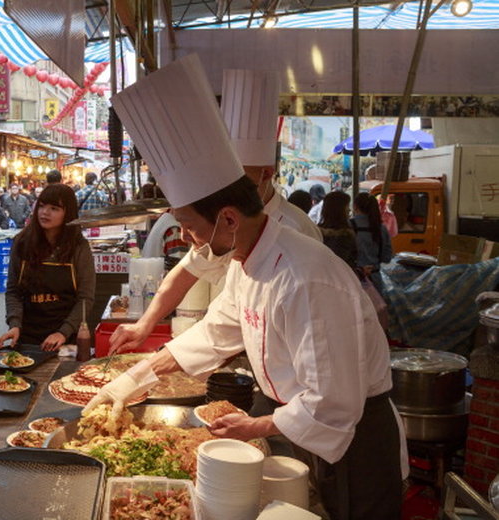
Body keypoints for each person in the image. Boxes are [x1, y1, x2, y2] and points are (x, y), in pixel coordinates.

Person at [99, 55, 405, 520]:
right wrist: (131, 380)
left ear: (228, 218)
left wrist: (254, 425)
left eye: (189, 226)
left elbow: (332, 404)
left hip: (353, 442)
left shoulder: (306, 277)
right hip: (296, 424)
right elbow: (215, 332)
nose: (186, 239)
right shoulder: (247, 259)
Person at [110, 69, 321, 355]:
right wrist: (144, 324)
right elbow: (187, 273)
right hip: (229, 346)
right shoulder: (219, 230)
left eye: (240, 178)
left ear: (267, 173)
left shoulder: (296, 232)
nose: (227, 187)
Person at [0, 184, 96, 350]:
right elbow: (14, 291)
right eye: (41, 206)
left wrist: (63, 332)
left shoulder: (78, 247)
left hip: (65, 339)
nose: (45, 212)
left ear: (68, 213)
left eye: (54, 208)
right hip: (27, 336)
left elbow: (85, 298)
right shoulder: (22, 242)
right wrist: (14, 324)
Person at [352, 192, 393, 293]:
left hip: (354, 279)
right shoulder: (381, 228)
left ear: (355, 206)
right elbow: (387, 258)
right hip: (375, 281)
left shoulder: (349, 225)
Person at [317, 191, 358, 269]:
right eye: (347, 206)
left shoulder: (316, 231)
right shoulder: (345, 235)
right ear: (339, 209)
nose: (349, 210)